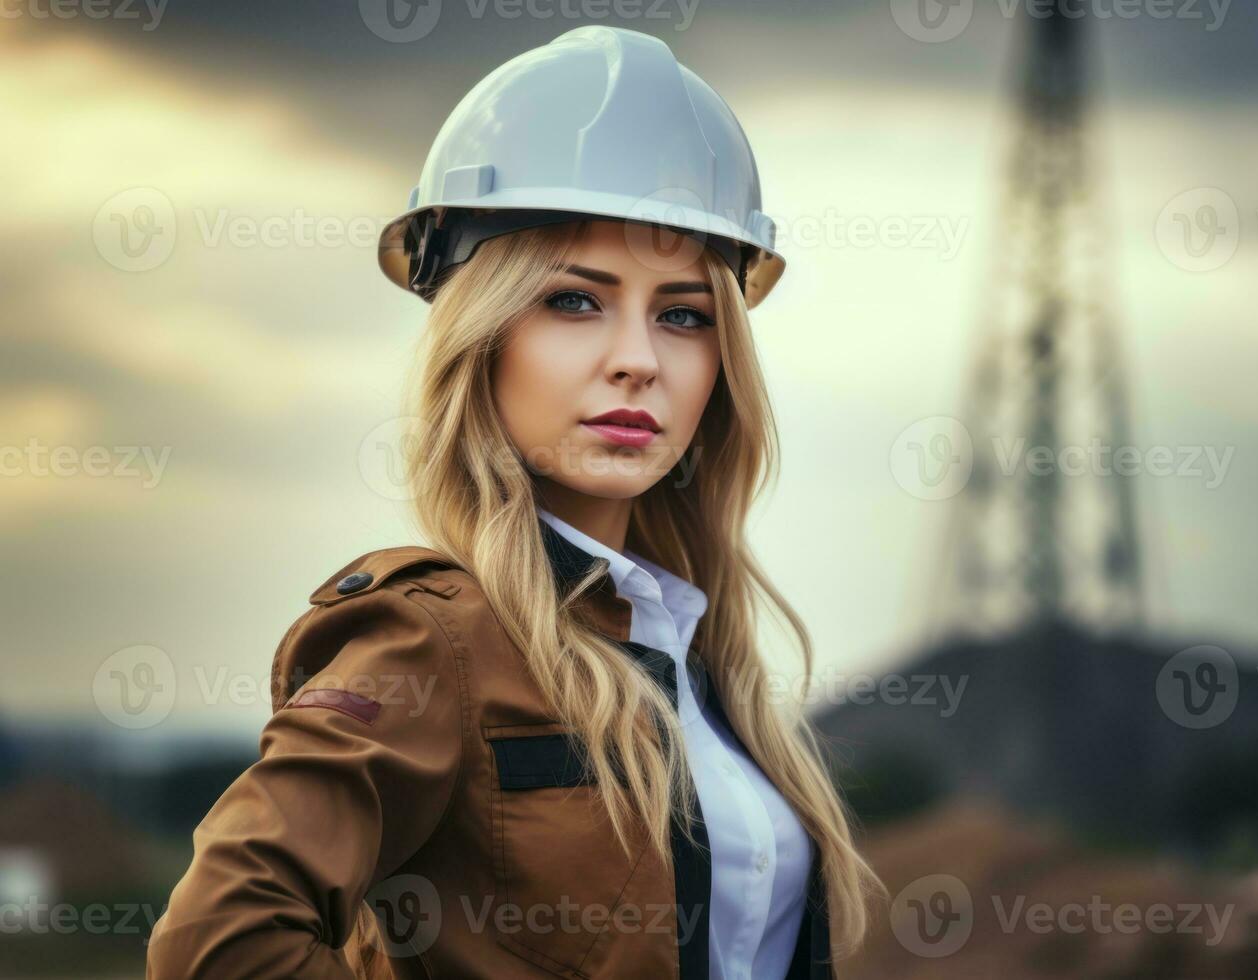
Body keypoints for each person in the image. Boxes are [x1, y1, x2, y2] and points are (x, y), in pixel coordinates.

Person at [145, 25, 883, 980]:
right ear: (482, 337)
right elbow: (215, 949)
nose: (638, 358)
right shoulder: (430, 643)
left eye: (682, 314)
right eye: (575, 300)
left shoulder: (688, 647)